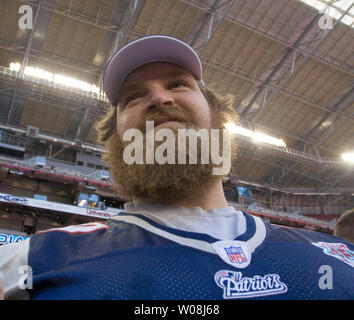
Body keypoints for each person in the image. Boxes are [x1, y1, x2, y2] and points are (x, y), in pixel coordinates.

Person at [0, 35, 353, 300]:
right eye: (133, 97)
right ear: (115, 142)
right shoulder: (31, 262)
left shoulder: (338, 257)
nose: (159, 98)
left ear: (220, 119)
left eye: (178, 84)